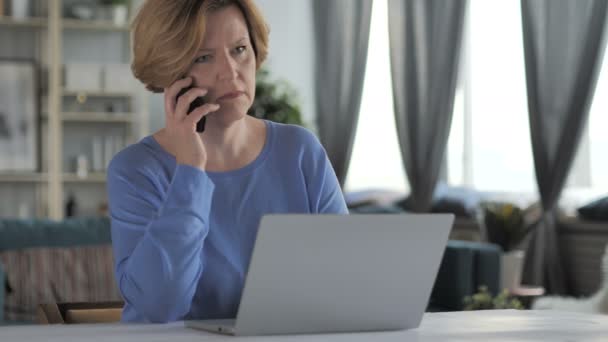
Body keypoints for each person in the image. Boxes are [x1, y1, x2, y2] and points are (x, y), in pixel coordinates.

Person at [107, 0, 348, 323]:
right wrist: (190, 168)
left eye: (239, 49)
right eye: (204, 57)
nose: (230, 71)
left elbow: (346, 280)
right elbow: (160, 307)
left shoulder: (300, 151)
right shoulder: (135, 170)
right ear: (171, 72)